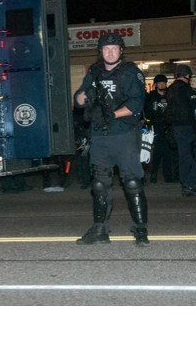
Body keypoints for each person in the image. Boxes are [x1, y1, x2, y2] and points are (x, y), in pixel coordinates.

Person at [73, 32, 149, 246]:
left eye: (114, 48)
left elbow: (137, 103)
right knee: (99, 184)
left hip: (124, 134)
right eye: (106, 48)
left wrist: (112, 114)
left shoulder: (130, 72)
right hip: (100, 136)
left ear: (121, 51)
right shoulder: (94, 71)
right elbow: (79, 97)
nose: (110, 52)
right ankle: (100, 230)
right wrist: (81, 98)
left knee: (132, 182)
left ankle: (141, 230)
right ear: (101, 51)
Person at [165, 64, 196, 196]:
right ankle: (191, 183)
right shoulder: (187, 89)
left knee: (184, 156)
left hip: (176, 128)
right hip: (189, 127)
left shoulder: (170, 90)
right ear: (187, 75)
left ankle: (186, 185)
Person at [144, 74, 177, 184]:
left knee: (168, 152)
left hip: (168, 127)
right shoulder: (151, 96)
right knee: (158, 151)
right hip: (156, 126)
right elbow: (147, 111)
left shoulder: (170, 95)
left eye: (163, 82)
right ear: (156, 84)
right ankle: (154, 175)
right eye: (159, 83)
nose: (162, 84)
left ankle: (168, 176)